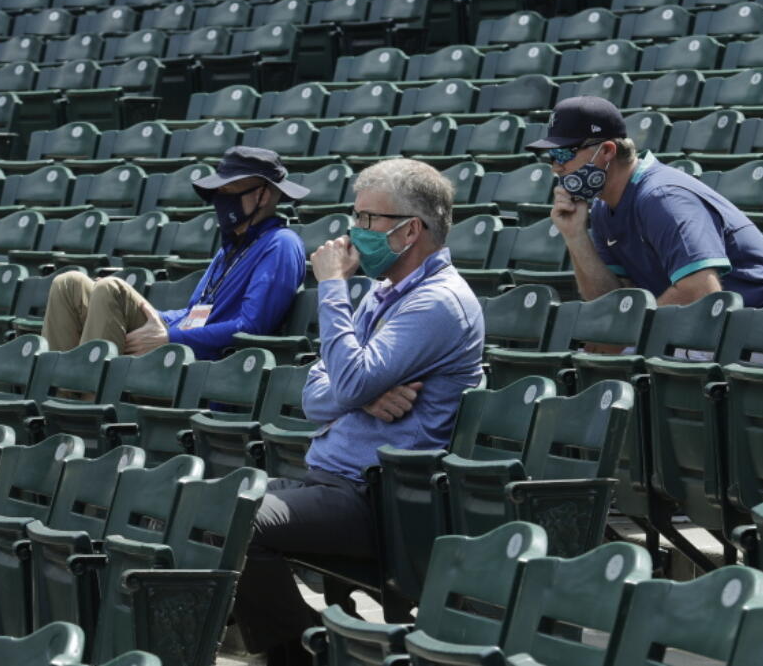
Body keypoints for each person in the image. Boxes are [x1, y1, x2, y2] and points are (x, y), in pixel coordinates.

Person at [230, 159, 485, 666]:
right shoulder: (385, 291)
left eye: (368, 219)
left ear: (411, 229)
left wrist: (331, 287)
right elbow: (316, 394)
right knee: (216, 500)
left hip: (380, 499)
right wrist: (364, 392)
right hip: (331, 482)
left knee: (243, 522)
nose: (353, 231)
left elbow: (340, 380)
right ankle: (312, 647)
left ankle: (301, 656)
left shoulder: (436, 302)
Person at [41, 145, 308, 362]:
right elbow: (195, 314)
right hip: (177, 347)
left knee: (112, 289)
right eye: (219, 191)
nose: (220, 198)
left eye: (229, 190)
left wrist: (169, 339)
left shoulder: (281, 244)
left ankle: (88, 402)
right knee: (70, 284)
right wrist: (154, 318)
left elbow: (252, 327)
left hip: (197, 366)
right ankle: (58, 395)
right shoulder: (233, 245)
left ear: (262, 195)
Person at [527, 96, 763, 308]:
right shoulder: (602, 209)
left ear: (607, 150)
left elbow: (701, 292)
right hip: (709, 333)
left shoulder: (663, 196)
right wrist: (575, 236)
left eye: (562, 154)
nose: (555, 168)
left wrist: (633, 339)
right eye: (550, 158)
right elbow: (610, 302)